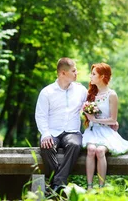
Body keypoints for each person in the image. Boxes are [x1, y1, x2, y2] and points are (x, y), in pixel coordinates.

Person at [82, 62, 128, 190]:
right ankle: (89, 187)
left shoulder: (112, 95)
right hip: (92, 130)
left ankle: (101, 188)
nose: (91, 76)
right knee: (91, 150)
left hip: (106, 131)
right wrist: (90, 117)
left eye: (94, 74)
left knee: (100, 151)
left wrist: (95, 120)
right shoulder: (91, 94)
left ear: (102, 76)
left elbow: (113, 119)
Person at [35, 57, 87, 194]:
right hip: (52, 131)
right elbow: (40, 115)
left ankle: (55, 185)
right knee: (46, 147)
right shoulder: (47, 92)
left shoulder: (81, 90)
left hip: (72, 132)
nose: (77, 73)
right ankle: (59, 185)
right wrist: (45, 134)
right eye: (74, 71)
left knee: (75, 145)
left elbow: (92, 106)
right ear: (63, 73)